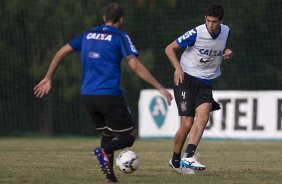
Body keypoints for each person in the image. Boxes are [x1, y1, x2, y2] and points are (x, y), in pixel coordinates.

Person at [34, 3, 173, 183]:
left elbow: (60, 53)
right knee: (128, 136)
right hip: (109, 95)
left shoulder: (87, 35)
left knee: (108, 134)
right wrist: (160, 87)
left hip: (87, 96)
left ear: (103, 18)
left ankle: (110, 178)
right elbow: (135, 65)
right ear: (121, 20)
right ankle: (104, 151)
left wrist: (48, 78)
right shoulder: (120, 36)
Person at [165, 3, 233, 174]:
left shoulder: (226, 31)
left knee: (203, 116)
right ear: (205, 19)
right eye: (208, 21)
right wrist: (178, 69)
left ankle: (189, 156)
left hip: (206, 81)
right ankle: (175, 160)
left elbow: (219, 47)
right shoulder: (197, 32)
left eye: (215, 22)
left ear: (221, 21)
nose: (211, 25)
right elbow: (169, 48)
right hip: (186, 77)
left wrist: (227, 51)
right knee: (187, 123)